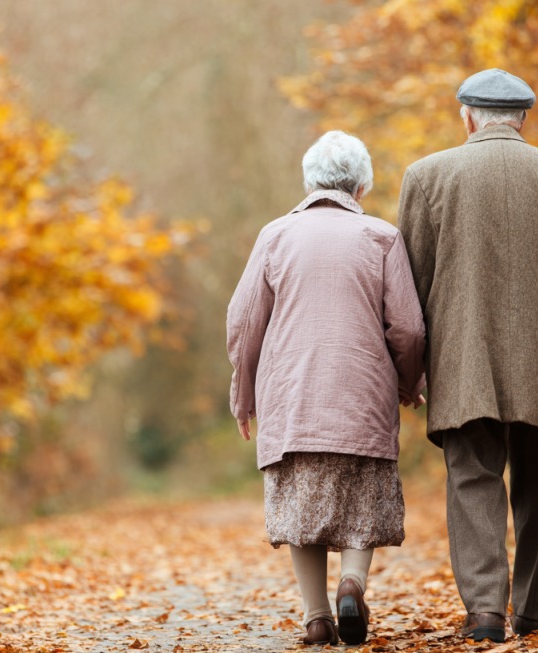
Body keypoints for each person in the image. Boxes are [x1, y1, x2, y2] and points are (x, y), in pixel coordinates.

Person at [396, 68, 538, 643]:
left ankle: (485, 612)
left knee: (472, 481)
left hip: (461, 365)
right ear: (523, 118)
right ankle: (531, 612)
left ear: (466, 116)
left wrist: (410, 375)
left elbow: (409, 293)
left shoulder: (426, 178)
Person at [227, 131, 426, 646]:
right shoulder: (381, 236)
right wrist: (408, 382)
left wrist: (244, 395)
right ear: (361, 186)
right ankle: (353, 584)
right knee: (362, 500)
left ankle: (317, 617)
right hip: (362, 396)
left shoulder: (275, 235)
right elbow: (407, 327)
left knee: (301, 505)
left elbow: (245, 322)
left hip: (292, 398)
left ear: (309, 181)